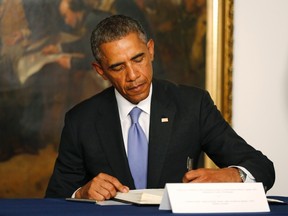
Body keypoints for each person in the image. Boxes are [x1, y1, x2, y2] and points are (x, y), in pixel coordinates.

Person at [45, 14, 275, 200]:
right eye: (118, 67)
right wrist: (81, 193)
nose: (133, 76)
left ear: (151, 50)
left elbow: (263, 168)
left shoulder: (193, 105)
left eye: (138, 59)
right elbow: (54, 198)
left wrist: (233, 176)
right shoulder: (80, 120)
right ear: (100, 71)